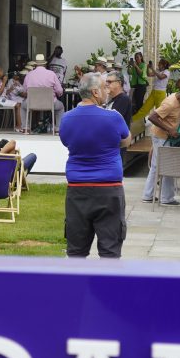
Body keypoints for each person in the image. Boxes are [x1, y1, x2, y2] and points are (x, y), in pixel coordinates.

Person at [60, 73, 132, 259]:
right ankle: (106, 288)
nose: (107, 91)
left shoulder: (67, 118)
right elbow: (126, 140)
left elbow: (67, 142)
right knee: (110, 251)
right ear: (94, 92)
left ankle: (76, 288)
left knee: (76, 251)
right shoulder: (113, 118)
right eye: (104, 87)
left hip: (77, 190)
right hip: (109, 190)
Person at [143, 86, 180, 206]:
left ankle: (148, 195)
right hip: (161, 137)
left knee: (156, 166)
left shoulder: (177, 100)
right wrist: (169, 129)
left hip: (161, 136)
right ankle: (167, 198)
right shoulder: (171, 103)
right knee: (167, 166)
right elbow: (152, 117)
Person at [22, 54, 65, 130]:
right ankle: (58, 128)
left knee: (23, 106)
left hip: (32, 103)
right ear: (45, 64)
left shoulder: (29, 75)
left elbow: (24, 91)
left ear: (35, 64)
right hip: (50, 104)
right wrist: (58, 93)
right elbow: (59, 91)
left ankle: (25, 127)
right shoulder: (52, 74)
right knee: (60, 107)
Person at [0, 65, 23, 132]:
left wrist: (12, 87)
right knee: (18, 105)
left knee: (18, 104)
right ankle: (19, 126)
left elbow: (5, 93)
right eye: (0, 70)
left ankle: (19, 126)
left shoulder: (0, 81)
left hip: (2, 100)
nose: (2, 71)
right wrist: (4, 82)